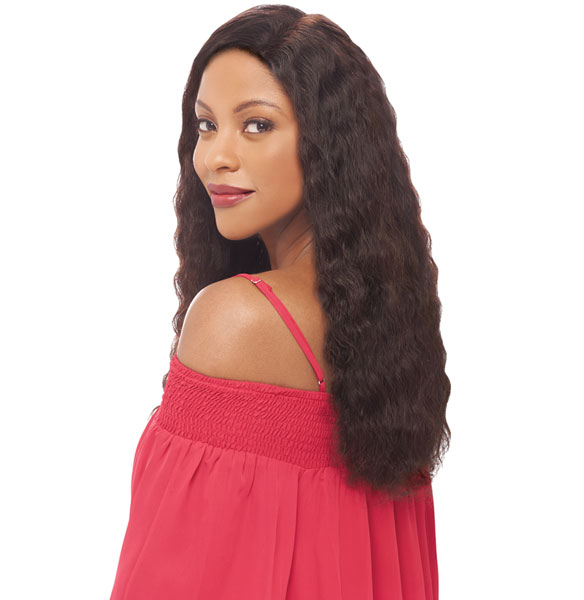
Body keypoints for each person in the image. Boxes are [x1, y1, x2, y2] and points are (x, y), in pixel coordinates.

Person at [109, 5, 451, 599]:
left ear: (329, 145)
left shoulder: (235, 321)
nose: (214, 157)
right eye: (206, 124)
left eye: (257, 125)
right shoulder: (389, 350)